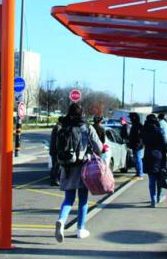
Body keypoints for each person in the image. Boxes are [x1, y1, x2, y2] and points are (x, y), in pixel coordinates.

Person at [55, 103, 103, 242]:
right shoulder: (87, 127)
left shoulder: (63, 126)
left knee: (68, 198)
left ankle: (61, 221)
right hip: (83, 167)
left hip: (67, 167)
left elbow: (55, 148)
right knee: (83, 200)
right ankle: (80, 229)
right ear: (82, 113)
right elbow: (98, 146)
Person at [142, 114, 167, 207]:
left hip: (148, 156)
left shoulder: (144, 131)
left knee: (151, 180)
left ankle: (153, 200)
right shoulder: (159, 131)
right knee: (160, 179)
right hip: (159, 158)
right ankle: (158, 197)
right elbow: (166, 145)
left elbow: (143, 142)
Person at [129, 112, 144, 180]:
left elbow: (140, 138)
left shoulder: (138, 125)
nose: (130, 119)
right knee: (136, 159)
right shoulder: (134, 125)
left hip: (138, 146)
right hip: (134, 146)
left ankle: (140, 174)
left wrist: (137, 145)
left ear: (134, 118)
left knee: (138, 159)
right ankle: (138, 173)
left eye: (131, 118)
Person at [49, 116, 64, 186]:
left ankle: (53, 180)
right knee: (56, 166)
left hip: (53, 149)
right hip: (56, 150)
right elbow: (58, 140)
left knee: (55, 165)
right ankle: (54, 180)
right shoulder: (59, 128)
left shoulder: (56, 126)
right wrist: (59, 150)